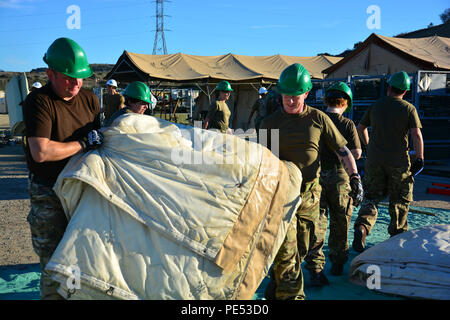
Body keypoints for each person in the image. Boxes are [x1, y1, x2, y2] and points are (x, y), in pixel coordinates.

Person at [260, 63, 363, 300]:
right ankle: (291, 294)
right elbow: (264, 159)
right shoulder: (271, 123)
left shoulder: (318, 119)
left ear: (306, 94)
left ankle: (276, 287)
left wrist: (355, 177)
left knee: (302, 248)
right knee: (286, 249)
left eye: (296, 97)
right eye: (286, 96)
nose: (290, 101)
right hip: (282, 196)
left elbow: (343, 151)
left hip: (309, 196)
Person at [22, 37, 103, 299]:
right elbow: (41, 151)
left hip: (82, 187)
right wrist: (82, 144)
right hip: (50, 192)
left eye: (80, 78)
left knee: (84, 255)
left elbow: (102, 138)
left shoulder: (89, 99)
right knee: (55, 262)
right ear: (50, 74)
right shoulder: (39, 102)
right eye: (68, 78)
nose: (76, 83)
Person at [352, 71, 424, 252]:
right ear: (405, 91)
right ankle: (396, 239)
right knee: (400, 201)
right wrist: (420, 158)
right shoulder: (409, 109)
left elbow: (361, 128)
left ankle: (362, 227)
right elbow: (416, 134)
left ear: (389, 88)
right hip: (399, 162)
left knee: (372, 197)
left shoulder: (375, 106)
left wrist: (369, 146)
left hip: (375, 160)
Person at [304, 82, 362, 285]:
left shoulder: (316, 120)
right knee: (340, 222)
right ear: (346, 103)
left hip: (317, 178)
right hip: (340, 179)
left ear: (326, 100)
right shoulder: (347, 124)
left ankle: (316, 268)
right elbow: (356, 153)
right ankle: (337, 263)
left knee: (317, 223)